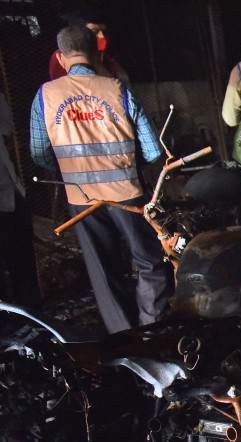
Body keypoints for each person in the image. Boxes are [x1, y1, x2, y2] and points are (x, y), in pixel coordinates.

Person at [30, 26, 172, 334]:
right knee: (150, 262)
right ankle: (151, 332)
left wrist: (71, 171)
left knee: (104, 272)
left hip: (80, 199)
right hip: (127, 195)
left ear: (60, 56)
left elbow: (39, 154)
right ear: (98, 53)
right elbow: (151, 150)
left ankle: (124, 342)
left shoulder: (45, 96)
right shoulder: (117, 89)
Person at [0, 92, 42, 308]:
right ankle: (33, 321)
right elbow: (7, 128)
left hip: (8, 195)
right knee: (23, 269)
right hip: (7, 196)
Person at [48, 10, 128, 82]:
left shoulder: (105, 55)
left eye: (103, 31)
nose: (102, 36)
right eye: (95, 31)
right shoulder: (64, 55)